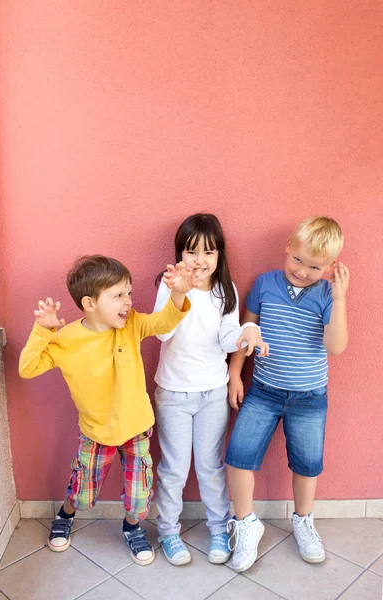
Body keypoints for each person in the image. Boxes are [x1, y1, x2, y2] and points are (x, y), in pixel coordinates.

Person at [19, 254, 195, 566]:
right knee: (83, 492)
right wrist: (42, 331)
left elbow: (165, 320)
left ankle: (132, 526)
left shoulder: (132, 324)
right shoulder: (66, 339)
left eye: (128, 293)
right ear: (89, 303)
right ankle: (66, 513)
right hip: (96, 432)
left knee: (140, 495)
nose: (128, 302)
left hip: (137, 428)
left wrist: (179, 292)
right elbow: (27, 368)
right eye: (117, 296)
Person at [225, 216, 349, 572]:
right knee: (238, 456)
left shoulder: (326, 294)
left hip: (309, 396)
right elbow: (246, 333)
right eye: (298, 260)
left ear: (329, 268)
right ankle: (247, 522)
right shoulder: (265, 284)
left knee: (307, 464)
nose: (303, 271)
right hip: (263, 390)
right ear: (288, 249)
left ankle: (303, 520)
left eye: (315, 266)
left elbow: (335, 347)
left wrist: (339, 300)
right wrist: (235, 374)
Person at [153, 214, 269, 566]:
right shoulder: (169, 284)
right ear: (179, 255)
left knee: (209, 465)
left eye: (208, 251)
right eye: (191, 251)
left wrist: (245, 335)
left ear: (220, 255)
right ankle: (169, 532)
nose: (199, 260)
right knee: (174, 467)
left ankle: (220, 528)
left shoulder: (225, 290)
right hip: (173, 392)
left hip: (213, 392)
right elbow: (161, 333)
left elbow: (224, 335)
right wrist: (177, 295)